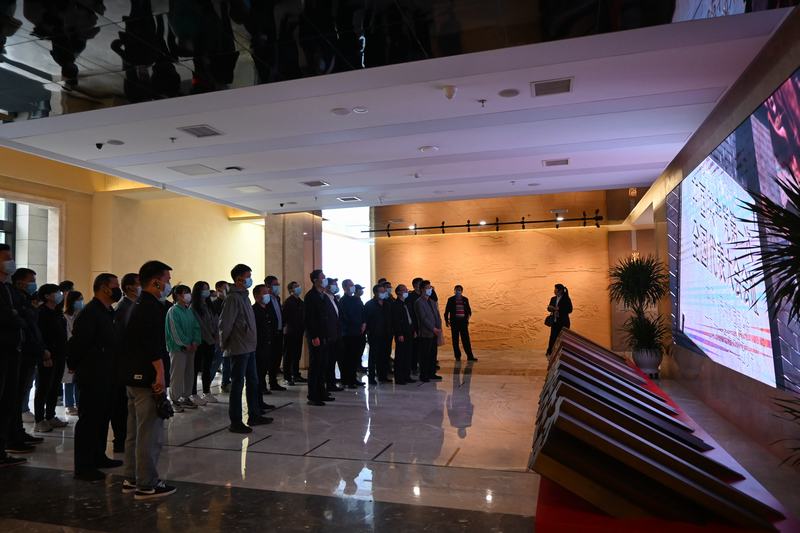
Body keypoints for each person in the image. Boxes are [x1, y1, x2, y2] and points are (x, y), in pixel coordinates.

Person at [119, 260, 176, 499]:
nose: (169, 285)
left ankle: (131, 477)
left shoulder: (137, 304)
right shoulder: (150, 307)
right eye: (167, 280)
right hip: (148, 378)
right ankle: (146, 484)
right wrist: (160, 374)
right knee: (149, 435)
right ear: (156, 282)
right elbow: (152, 345)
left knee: (134, 432)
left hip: (134, 377)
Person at [67, 273, 124, 481]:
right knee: (89, 420)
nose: (118, 289)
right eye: (115, 285)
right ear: (104, 288)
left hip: (108, 373)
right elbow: (78, 344)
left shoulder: (107, 311)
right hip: (93, 374)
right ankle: (83, 466)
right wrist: (74, 366)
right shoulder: (90, 313)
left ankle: (98, 456)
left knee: (102, 418)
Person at [219, 264, 272, 433]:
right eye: (248, 276)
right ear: (239, 279)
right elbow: (225, 324)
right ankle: (235, 421)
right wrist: (224, 345)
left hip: (249, 346)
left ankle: (254, 414)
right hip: (238, 347)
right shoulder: (233, 298)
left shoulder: (245, 297)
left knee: (253, 381)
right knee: (237, 384)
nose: (250, 279)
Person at [0, 244, 30, 467]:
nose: (11, 261)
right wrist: (15, 315)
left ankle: (2, 449)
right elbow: (8, 317)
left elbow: (22, 315)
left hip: (12, 350)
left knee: (9, 402)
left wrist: (16, 315)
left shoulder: (7, 289)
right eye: (6, 258)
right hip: (3, 350)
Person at [10, 267, 45, 451]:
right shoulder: (14, 297)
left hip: (29, 353)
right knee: (14, 398)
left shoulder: (25, 299)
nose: (34, 284)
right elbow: (22, 322)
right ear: (20, 282)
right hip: (21, 353)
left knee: (20, 395)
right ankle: (12, 436)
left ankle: (18, 432)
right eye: (31, 280)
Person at [33, 284, 68, 433]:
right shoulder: (41, 313)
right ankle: (39, 420)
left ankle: (51, 415)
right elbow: (39, 335)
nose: (60, 295)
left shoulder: (57, 312)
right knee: (43, 387)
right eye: (56, 292)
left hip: (59, 354)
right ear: (47, 296)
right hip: (47, 355)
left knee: (54, 387)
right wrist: (44, 353)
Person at [165, 285, 201, 412]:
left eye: (188, 292)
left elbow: (196, 327)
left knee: (189, 373)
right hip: (178, 349)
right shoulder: (173, 311)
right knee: (177, 374)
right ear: (178, 295)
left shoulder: (188, 310)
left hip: (191, 348)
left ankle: (186, 397)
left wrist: (195, 341)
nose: (188, 295)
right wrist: (185, 344)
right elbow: (175, 331)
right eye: (185, 292)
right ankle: (174, 399)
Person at [304, 270, 338, 406]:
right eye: (322, 277)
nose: (325, 279)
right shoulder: (310, 296)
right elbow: (309, 318)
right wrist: (314, 336)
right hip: (316, 336)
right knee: (315, 366)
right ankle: (313, 395)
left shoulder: (323, 295)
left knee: (323, 365)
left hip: (325, 335)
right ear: (315, 280)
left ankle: (321, 392)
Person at [190, 281, 219, 404]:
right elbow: (199, 324)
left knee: (207, 367)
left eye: (207, 288)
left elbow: (215, 320)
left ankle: (206, 392)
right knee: (195, 368)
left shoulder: (209, 305)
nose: (206, 291)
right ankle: (193, 393)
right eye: (204, 289)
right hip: (200, 341)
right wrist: (209, 336)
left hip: (211, 340)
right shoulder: (193, 307)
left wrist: (216, 334)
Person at [252, 284, 276, 411]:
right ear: (257, 296)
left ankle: (260, 402)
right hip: (258, 348)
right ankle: (256, 404)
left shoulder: (266, 309)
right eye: (264, 293)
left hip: (266, 347)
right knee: (257, 377)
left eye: (268, 292)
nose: (268, 295)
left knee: (261, 376)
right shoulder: (254, 310)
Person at [414, 280, 443, 382]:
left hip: (435, 332)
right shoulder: (419, 302)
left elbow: (437, 315)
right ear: (422, 289)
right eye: (428, 288)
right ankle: (424, 375)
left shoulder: (432, 301)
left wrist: (439, 327)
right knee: (425, 355)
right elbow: (423, 318)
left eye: (430, 287)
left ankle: (432, 373)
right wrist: (433, 328)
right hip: (426, 333)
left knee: (433, 354)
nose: (430, 289)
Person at [364, 284, 392, 385]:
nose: (384, 293)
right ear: (375, 293)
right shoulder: (369, 305)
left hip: (386, 334)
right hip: (375, 334)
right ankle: (371, 377)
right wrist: (368, 332)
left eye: (384, 291)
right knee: (373, 357)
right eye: (381, 291)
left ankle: (382, 376)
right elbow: (366, 320)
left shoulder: (387, 304)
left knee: (384, 356)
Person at [340, 279, 365, 388]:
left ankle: (353, 378)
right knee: (348, 358)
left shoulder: (356, 299)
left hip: (358, 332)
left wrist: (364, 323)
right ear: (345, 288)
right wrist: (356, 324)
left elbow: (362, 312)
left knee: (356, 357)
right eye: (350, 285)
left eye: (353, 285)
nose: (353, 287)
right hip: (348, 333)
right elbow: (345, 317)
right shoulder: (343, 301)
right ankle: (347, 380)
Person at [264, 275, 286, 392]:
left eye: (278, 284)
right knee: (268, 358)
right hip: (270, 334)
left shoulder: (277, 298)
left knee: (277, 358)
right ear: (268, 286)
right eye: (275, 284)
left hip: (279, 332)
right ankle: (263, 384)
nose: (278, 286)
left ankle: (273, 382)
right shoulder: (266, 299)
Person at [63, 291, 83, 416]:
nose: (81, 302)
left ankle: (79, 403)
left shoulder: (80, 315)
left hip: (79, 350)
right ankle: (69, 405)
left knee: (78, 380)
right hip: (69, 351)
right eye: (79, 299)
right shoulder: (65, 317)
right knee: (69, 381)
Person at [444, 285, 477, 362]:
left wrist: (467, 319)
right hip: (454, 323)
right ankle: (457, 356)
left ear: (462, 291)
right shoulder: (451, 299)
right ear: (454, 291)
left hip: (463, 323)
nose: (458, 291)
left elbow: (469, 311)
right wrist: (446, 321)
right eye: (456, 290)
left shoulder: (465, 299)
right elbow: (446, 311)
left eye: (459, 290)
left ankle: (470, 356)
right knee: (455, 340)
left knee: (466, 340)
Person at [282, 281, 305, 386]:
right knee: (288, 355)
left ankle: (296, 374)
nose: (298, 288)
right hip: (290, 332)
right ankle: (287, 377)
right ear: (291, 290)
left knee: (297, 354)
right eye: (296, 286)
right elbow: (284, 317)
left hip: (299, 331)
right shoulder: (288, 302)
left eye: (298, 286)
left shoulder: (300, 302)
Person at [391, 285, 415, 385]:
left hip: (409, 332)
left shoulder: (407, 303)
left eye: (406, 290)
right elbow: (396, 321)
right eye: (404, 290)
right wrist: (399, 333)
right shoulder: (396, 305)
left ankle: (406, 375)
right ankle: (399, 378)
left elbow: (410, 318)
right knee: (400, 356)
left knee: (408, 355)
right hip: (402, 333)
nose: (406, 291)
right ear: (399, 292)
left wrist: (413, 330)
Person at [324, 277, 344, 391]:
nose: (336, 287)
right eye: (334, 285)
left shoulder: (334, 299)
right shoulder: (324, 298)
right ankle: (329, 383)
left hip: (336, 334)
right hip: (329, 335)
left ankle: (331, 382)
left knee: (333, 360)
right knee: (329, 361)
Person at [212, 280, 231, 392]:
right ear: (218, 289)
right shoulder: (215, 304)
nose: (227, 290)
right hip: (218, 337)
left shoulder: (228, 302)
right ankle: (206, 387)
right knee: (216, 361)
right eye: (225, 288)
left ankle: (226, 382)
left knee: (227, 361)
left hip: (228, 336)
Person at [546, 283, 573, 356]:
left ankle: (563, 353)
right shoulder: (553, 298)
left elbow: (570, 310)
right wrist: (550, 308)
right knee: (552, 337)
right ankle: (550, 352)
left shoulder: (566, 299)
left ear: (560, 290)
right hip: (554, 321)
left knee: (563, 338)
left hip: (563, 322)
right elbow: (549, 308)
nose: (554, 290)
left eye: (555, 289)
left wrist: (559, 309)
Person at [406, 277, 423, 375]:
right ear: (415, 285)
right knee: (414, 347)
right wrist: (413, 328)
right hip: (415, 324)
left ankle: (421, 364)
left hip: (423, 325)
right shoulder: (410, 296)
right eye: (420, 284)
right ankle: (413, 366)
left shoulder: (423, 295)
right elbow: (411, 312)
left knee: (422, 347)